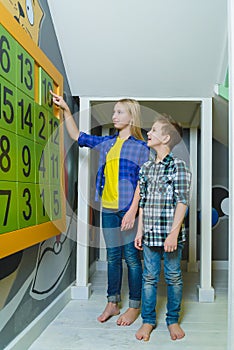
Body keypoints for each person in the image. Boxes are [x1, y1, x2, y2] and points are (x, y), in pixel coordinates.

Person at [50, 91, 149, 326]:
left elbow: (142, 183)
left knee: (132, 260)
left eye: (119, 112)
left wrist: (133, 211)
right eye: (114, 111)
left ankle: (135, 306)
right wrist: (65, 107)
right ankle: (112, 303)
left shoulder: (141, 148)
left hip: (127, 211)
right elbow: (76, 135)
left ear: (131, 117)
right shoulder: (107, 143)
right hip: (108, 209)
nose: (113, 116)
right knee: (113, 257)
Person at [134, 114, 191, 341]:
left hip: (170, 236)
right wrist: (139, 231)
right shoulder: (146, 168)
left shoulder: (179, 166)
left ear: (166, 138)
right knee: (149, 277)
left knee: (174, 276)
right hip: (149, 234)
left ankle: (173, 320)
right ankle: (148, 321)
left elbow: (183, 201)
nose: (149, 133)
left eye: (154, 130)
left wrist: (173, 235)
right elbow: (143, 203)